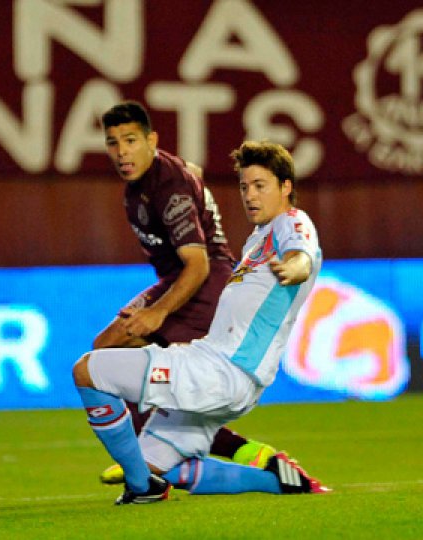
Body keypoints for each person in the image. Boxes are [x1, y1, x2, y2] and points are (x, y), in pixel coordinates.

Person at [73, 140, 327, 504]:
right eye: (244, 187)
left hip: (220, 371)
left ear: (286, 186)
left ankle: (141, 491)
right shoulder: (258, 238)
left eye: (260, 185)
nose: (249, 196)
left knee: (88, 371)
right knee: (155, 465)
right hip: (225, 374)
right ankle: (281, 482)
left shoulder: (292, 222)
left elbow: (302, 252)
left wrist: (295, 266)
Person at [95, 101, 277, 484]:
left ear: (151, 140)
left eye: (130, 140)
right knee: (106, 351)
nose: (122, 151)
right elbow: (190, 173)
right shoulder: (153, 180)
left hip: (204, 286)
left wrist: (158, 313)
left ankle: (149, 463)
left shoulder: (167, 186)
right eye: (113, 143)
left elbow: (198, 264)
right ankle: (238, 452)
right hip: (179, 280)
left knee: (154, 377)